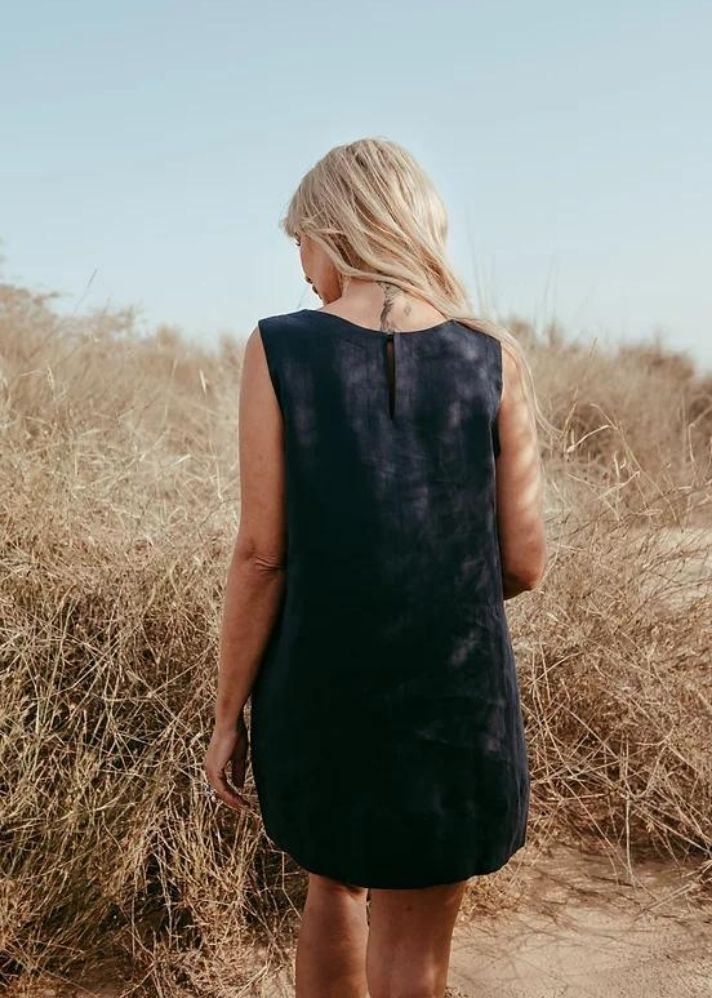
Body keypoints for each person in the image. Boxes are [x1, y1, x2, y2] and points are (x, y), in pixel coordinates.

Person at [204, 136, 548, 998]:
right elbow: (526, 560)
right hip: (453, 695)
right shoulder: (491, 358)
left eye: (302, 245)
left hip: (320, 686)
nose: (303, 269)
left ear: (340, 230)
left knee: (331, 881)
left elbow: (260, 553)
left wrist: (225, 713)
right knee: (416, 956)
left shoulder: (278, 348)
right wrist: (433, 583)